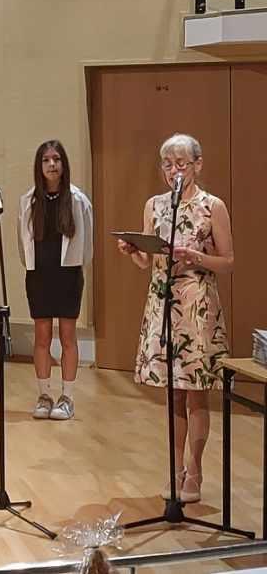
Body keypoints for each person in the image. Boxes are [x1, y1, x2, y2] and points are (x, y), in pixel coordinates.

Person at [117, 133, 232, 504]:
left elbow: (227, 261)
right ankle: (174, 469)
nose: (173, 170)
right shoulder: (154, 205)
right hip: (162, 303)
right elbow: (148, 261)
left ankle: (194, 470)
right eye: (167, 164)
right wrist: (132, 250)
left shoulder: (212, 206)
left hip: (196, 306)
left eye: (181, 163)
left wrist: (196, 256)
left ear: (197, 165)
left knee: (196, 392)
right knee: (173, 391)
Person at [17, 140, 93, 421]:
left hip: (68, 275)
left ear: (64, 164)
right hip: (38, 275)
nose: (51, 164)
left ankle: (67, 397)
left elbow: (87, 245)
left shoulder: (77, 199)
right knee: (42, 336)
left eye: (56, 159)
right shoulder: (28, 201)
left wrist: (75, 267)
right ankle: (44, 395)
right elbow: (22, 242)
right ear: (39, 166)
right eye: (46, 160)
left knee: (68, 336)